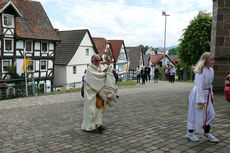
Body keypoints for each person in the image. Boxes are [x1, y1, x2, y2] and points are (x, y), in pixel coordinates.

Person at [186, 52, 218, 143]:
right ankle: (190, 133)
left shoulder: (211, 70)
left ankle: (206, 132)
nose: (213, 61)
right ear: (205, 60)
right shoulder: (201, 71)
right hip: (198, 95)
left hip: (207, 95)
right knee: (195, 114)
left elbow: (210, 85)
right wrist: (200, 100)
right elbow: (199, 86)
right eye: (211, 60)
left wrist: (210, 95)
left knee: (211, 114)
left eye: (213, 59)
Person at [81, 54, 117, 134]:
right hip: (92, 94)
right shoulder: (89, 70)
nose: (98, 62)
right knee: (92, 111)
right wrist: (105, 74)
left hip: (99, 93)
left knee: (99, 111)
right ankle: (90, 126)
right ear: (92, 61)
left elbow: (103, 74)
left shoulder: (100, 68)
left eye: (99, 60)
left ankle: (99, 125)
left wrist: (108, 72)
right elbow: (96, 78)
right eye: (96, 60)